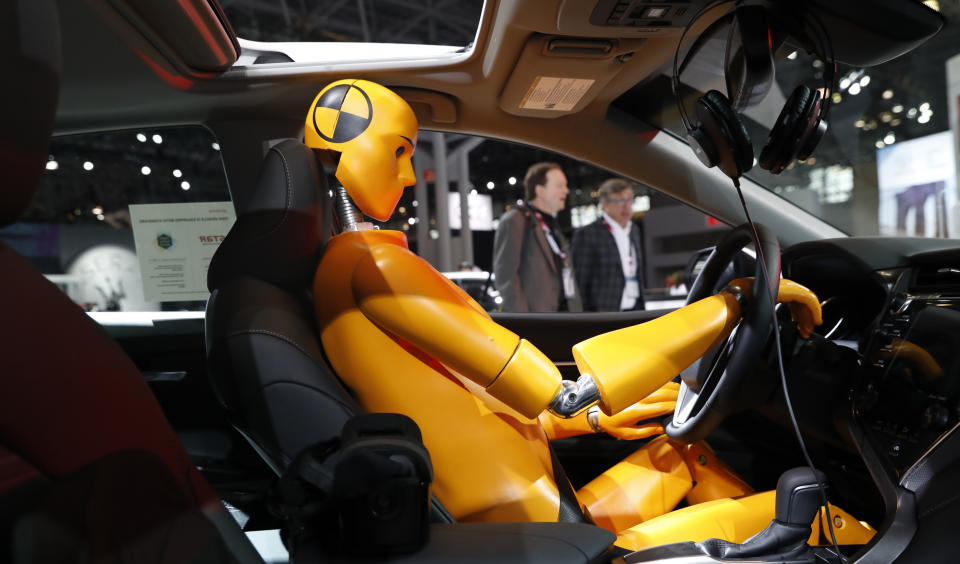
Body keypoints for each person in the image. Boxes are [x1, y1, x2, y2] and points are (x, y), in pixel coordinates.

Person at [492, 162, 580, 312]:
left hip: (563, 316)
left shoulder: (552, 224)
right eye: (559, 186)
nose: (566, 191)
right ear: (540, 190)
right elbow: (506, 277)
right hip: (537, 321)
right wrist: (526, 319)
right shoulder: (515, 220)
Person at [572, 178, 645, 312]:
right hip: (604, 316)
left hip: (634, 312)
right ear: (605, 205)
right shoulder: (587, 234)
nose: (626, 205)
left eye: (629, 199)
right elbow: (580, 284)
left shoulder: (634, 230)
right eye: (619, 201)